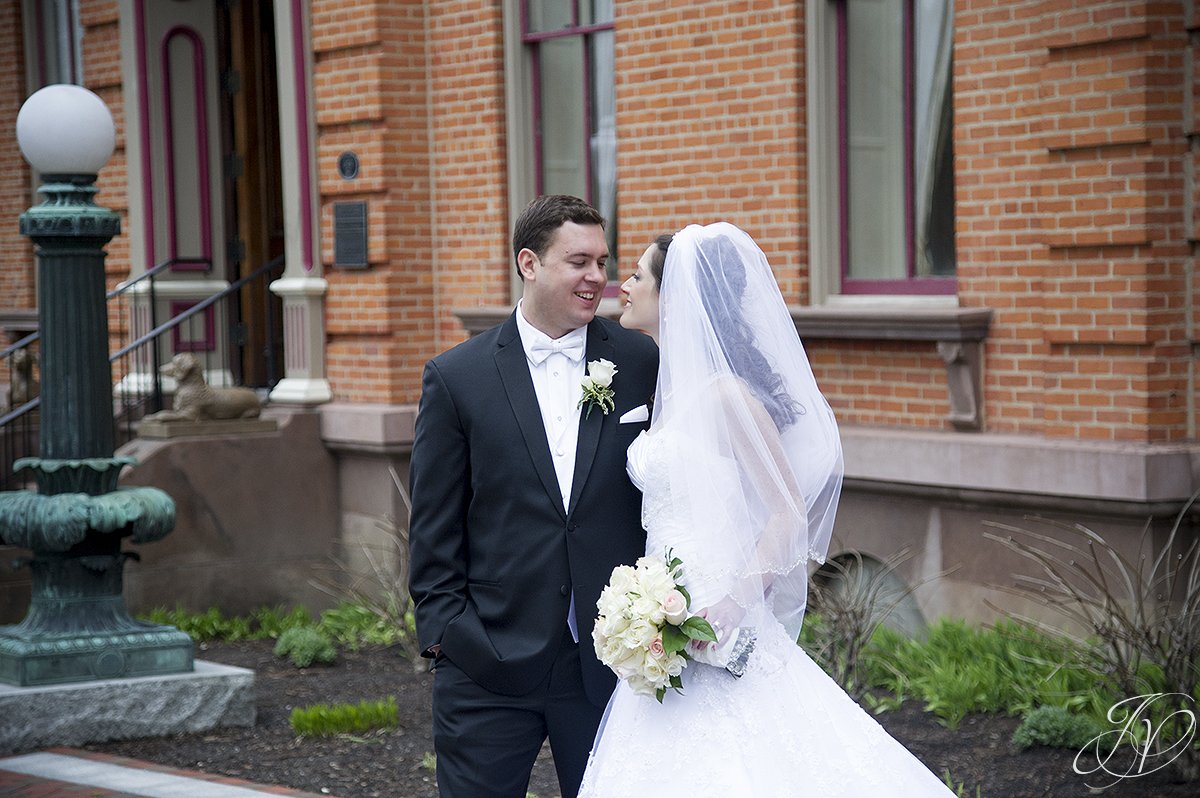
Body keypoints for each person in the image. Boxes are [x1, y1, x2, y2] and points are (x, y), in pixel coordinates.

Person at [578, 222, 956, 796]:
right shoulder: (667, 387)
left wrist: (731, 604)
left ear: (675, 296)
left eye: (637, 275)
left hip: (716, 616)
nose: (622, 286)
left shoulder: (726, 395)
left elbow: (786, 510)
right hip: (662, 619)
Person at [408, 194, 659, 798]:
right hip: (487, 664)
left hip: (611, 669)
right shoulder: (456, 377)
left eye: (603, 261)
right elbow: (432, 530)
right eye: (578, 262)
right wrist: (448, 635)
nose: (597, 277)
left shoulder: (640, 360)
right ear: (529, 263)